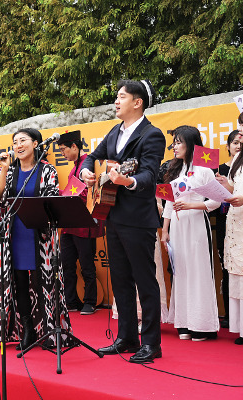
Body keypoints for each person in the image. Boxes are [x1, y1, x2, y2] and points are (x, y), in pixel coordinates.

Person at [81, 79, 165, 363]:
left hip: (139, 219)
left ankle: (151, 343)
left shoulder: (152, 135)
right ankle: (126, 337)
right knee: (120, 280)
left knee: (145, 281)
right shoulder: (115, 131)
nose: (116, 102)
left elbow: (150, 175)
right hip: (112, 215)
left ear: (137, 102)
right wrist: (86, 173)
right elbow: (92, 156)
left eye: (121, 97)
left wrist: (127, 180)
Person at [0, 128, 74, 350]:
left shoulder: (48, 170)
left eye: (23, 140)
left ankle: (48, 331)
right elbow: (1, 199)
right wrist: (4, 172)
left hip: (39, 235)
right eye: (15, 142)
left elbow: (52, 199)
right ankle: (27, 330)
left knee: (43, 282)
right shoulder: (11, 171)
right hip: (14, 233)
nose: (18, 145)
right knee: (18, 283)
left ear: (36, 143)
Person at [160, 126, 220, 341]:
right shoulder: (175, 170)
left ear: (191, 144)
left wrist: (192, 206)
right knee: (181, 272)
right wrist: (165, 230)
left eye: (178, 142)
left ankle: (202, 325)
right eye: (174, 142)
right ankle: (184, 323)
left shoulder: (205, 170)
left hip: (196, 225)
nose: (174, 146)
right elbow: (169, 201)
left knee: (198, 272)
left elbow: (215, 201)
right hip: (176, 228)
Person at [57, 130, 104, 315]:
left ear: (74, 146)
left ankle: (90, 301)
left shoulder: (87, 164)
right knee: (67, 265)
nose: (62, 154)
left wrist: (60, 194)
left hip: (83, 224)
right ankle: (71, 301)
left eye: (63, 150)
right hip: (69, 224)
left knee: (86, 265)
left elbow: (83, 193)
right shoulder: (74, 167)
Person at [217, 120, 243, 344]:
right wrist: (226, 184)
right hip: (236, 223)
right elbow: (236, 188)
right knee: (237, 275)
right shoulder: (237, 159)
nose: (241, 137)